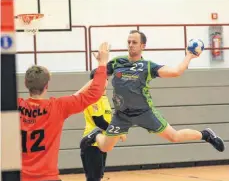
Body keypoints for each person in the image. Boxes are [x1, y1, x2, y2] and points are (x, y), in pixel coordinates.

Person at [80, 30, 225, 154]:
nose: (130, 45)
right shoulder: (117, 62)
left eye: (134, 42)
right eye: (129, 42)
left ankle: (206, 135)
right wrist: (99, 66)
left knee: (174, 137)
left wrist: (189, 56)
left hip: (144, 112)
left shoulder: (148, 66)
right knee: (105, 147)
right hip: (122, 115)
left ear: (143, 46)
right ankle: (95, 134)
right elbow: (98, 77)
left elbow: (176, 72)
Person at [18, 42, 110, 181]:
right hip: (48, 180)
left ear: (26, 83)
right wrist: (102, 63)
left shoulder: (14, 107)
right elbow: (95, 93)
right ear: (47, 86)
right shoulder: (58, 107)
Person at [81, 69, 126, 181]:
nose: (106, 81)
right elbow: (99, 122)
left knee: (97, 179)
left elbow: (108, 120)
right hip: (91, 143)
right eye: (102, 79)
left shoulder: (104, 98)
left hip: (101, 143)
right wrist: (118, 131)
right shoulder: (92, 98)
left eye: (106, 79)